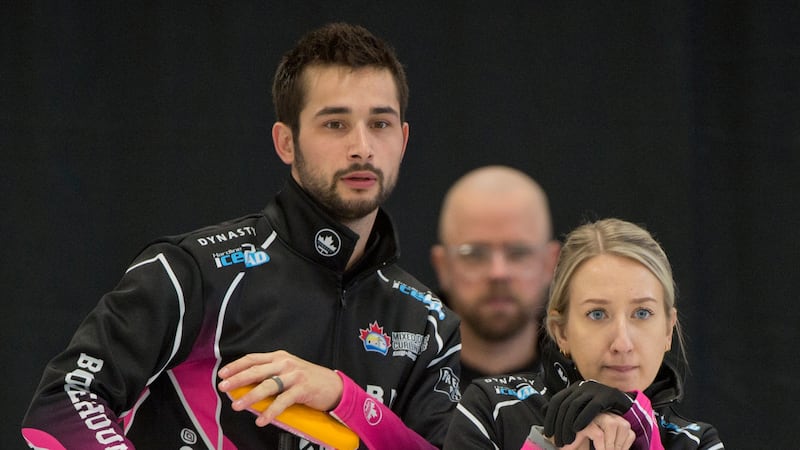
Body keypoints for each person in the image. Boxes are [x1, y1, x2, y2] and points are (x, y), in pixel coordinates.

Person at [22, 23, 461, 450]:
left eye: (380, 124)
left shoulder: (428, 324)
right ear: (285, 142)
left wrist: (345, 399)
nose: (362, 146)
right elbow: (62, 405)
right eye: (335, 124)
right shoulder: (194, 270)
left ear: (403, 140)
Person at [444, 218, 724, 449]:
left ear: (667, 330)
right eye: (597, 314)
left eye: (642, 313)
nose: (622, 343)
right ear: (560, 330)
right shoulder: (492, 408)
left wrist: (643, 437)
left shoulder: (696, 442)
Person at [430, 166, 560, 390]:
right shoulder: (403, 381)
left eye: (519, 253)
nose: (498, 273)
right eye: (474, 254)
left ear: (550, 263)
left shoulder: (584, 380)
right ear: (443, 266)